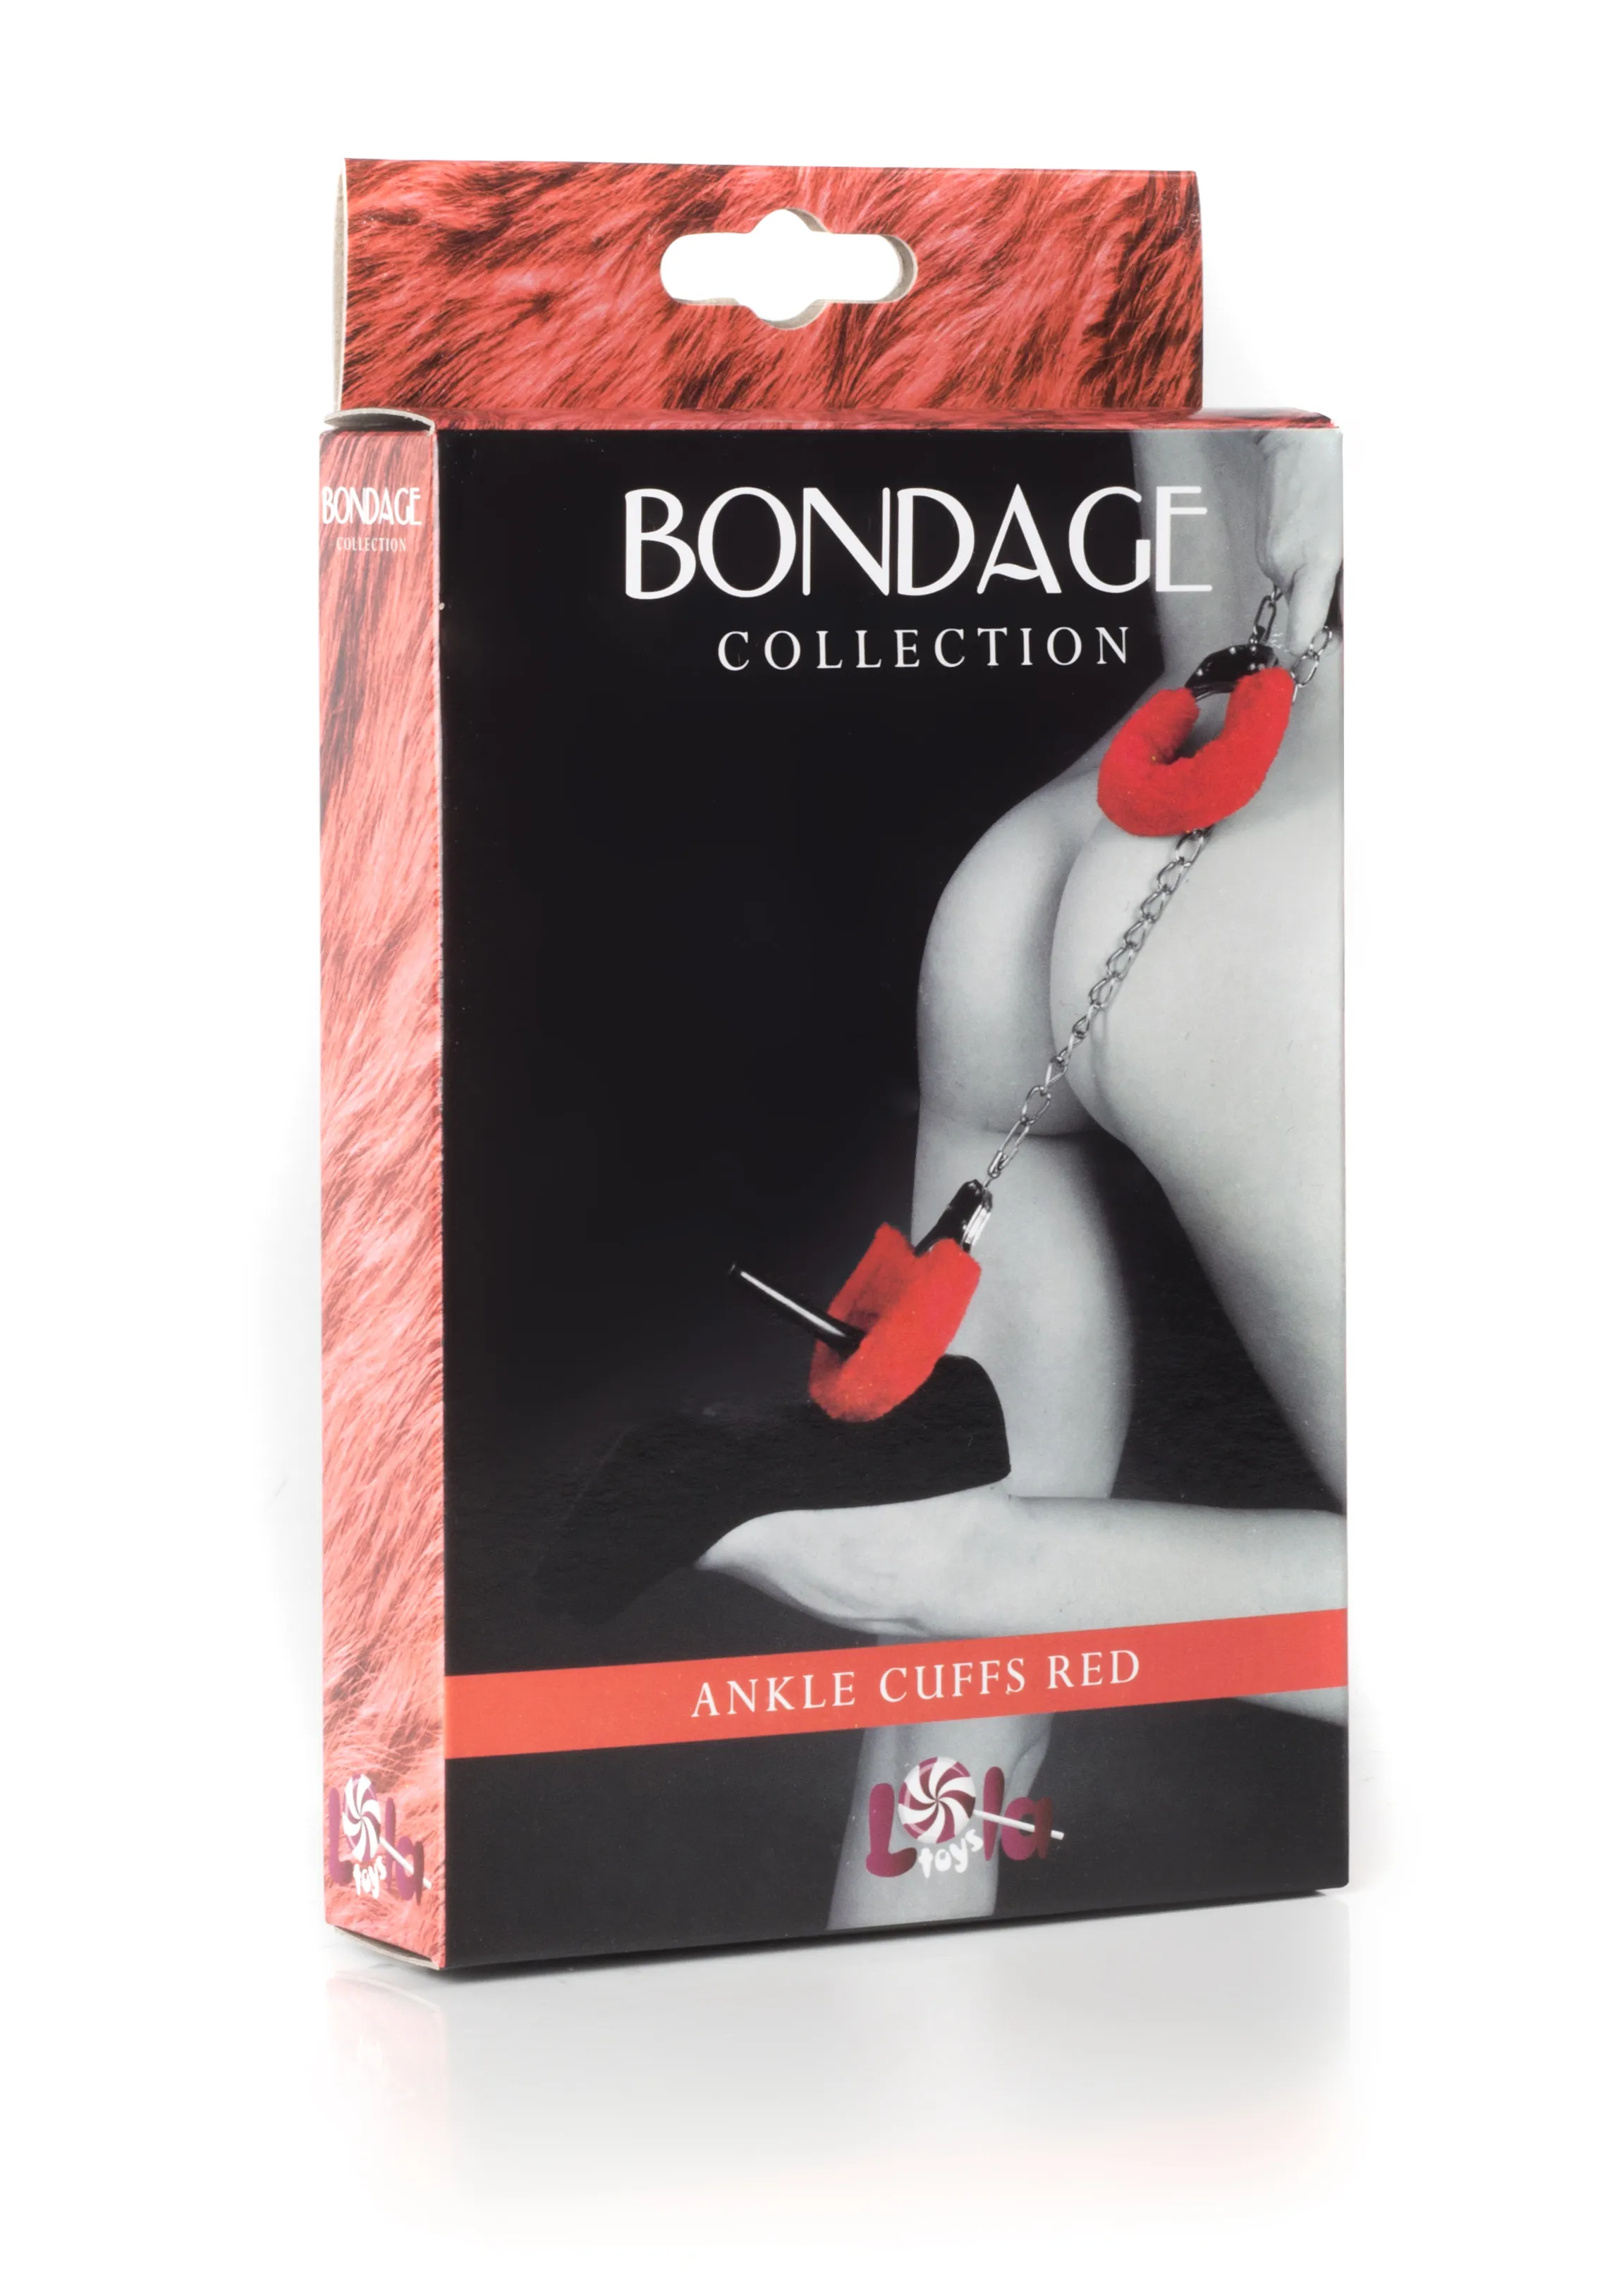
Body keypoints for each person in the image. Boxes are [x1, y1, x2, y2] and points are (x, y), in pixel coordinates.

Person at [695, 425, 1348, 1928]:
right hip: (1314, 879)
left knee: (943, 1758)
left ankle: (957, 1574)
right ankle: (977, 1564)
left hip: (1095, 831)